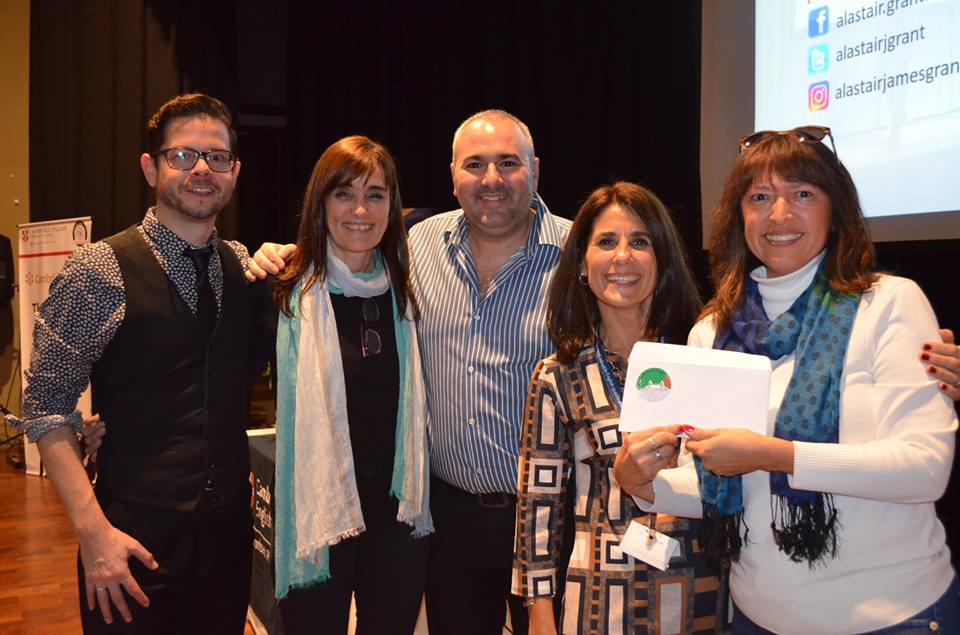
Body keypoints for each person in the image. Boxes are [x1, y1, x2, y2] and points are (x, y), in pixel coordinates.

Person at [249, 110, 571, 635]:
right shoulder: (295, 287)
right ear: (453, 175)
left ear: (535, 169)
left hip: (520, 517)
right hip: (378, 520)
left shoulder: (577, 257)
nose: (491, 178)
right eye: (475, 164)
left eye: (508, 163)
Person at [627, 126, 959, 634]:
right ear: (739, 216)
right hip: (757, 618)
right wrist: (645, 486)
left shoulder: (888, 303)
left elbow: (925, 468)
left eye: (802, 194)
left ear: (835, 209)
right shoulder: (711, 331)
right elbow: (716, 481)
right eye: (759, 197)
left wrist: (775, 454)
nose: (779, 215)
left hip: (894, 617)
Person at [8, 92, 273, 633]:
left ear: (235, 172)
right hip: (130, 536)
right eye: (183, 155)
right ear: (151, 168)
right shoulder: (97, 269)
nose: (202, 169)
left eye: (217, 157)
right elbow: (45, 409)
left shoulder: (246, 267)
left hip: (226, 539)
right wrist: (94, 536)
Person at [513, 182, 725, 634]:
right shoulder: (557, 376)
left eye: (640, 242)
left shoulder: (703, 357)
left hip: (699, 595)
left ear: (662, 259)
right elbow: (538, 507)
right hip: (600, 602)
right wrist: (539, 612)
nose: (622, 256)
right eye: (606, 241)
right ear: (582, 264)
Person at [270, 135, 432, 634]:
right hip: (318, 522)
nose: (360, 210)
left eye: (375, 194)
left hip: (397, 518)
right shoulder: (283, 290)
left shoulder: (409, 290)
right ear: (320, 203)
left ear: (391, 205)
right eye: (344, 193)